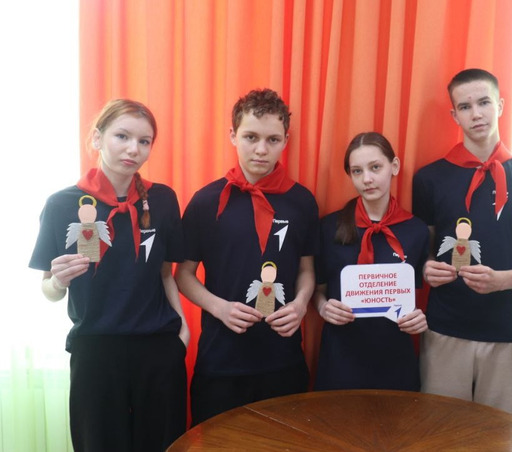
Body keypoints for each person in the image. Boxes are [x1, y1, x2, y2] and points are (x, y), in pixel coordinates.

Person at [29, 99, 188, 451]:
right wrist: (58, 281)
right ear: (97, 138)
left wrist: (183, 330)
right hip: (95, 350)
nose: (133, 149)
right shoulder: (61, 204)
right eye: (122, 136)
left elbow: (166, 273)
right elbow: (49, 289)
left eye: (144, 141)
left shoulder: (162, 200)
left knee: (166, 445)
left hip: (158, 348)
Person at [411, 68, 512, 419]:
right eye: (465, 107)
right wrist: (427, 268)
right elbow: (423, 253)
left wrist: (501, 281)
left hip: (508, 332)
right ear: (454, 115)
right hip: (444, 329)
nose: (476, 114)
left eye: (484, 103)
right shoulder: (429, 178)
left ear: (501, 105)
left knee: (503, 436)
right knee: (439, 435)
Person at [176, 88, 318, 425]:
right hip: (221, 361)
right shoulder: (205, 201)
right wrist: (219, 307)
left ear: (286, 141)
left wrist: (300, 304)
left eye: (272, 139)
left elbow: (307, 269)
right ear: (233, 136)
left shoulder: (302, 201)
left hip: (283, 359)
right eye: (251, 137)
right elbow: (183, 274)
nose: (261, 149)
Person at [314, 132, 429, 391]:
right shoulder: (329, 227)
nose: (367, 179)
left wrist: (419, 319)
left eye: (375, 167)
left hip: (395, 359)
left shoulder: (416, 230)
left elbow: (417, 297)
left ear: (394, 166)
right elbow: (318, 290)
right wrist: (323, 308)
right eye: (357, 171)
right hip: (341, 358)